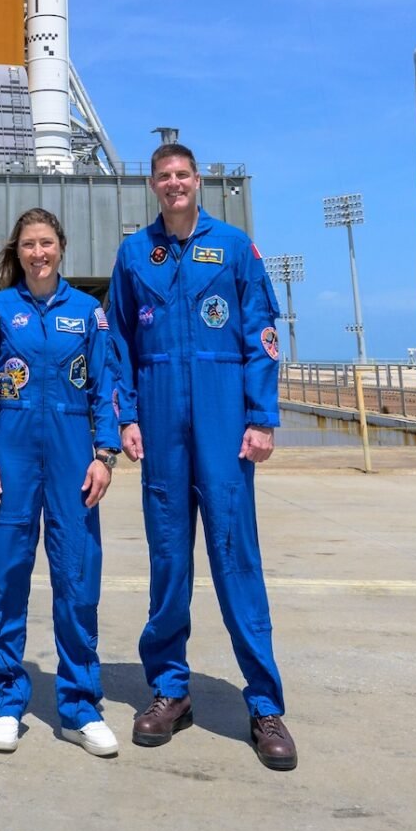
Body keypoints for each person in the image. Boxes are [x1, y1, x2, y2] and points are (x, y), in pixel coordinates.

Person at [109, 141, 297, 771]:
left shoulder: (235, 247)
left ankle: (265, 704)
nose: (173, 184)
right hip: (160, 426)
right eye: (163, 177)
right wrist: (126, 418)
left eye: (182, 175)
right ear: (153, 186)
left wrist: (261, 417)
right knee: (168, 562)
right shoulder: (135, 253)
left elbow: (261, 334)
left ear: (198, 180)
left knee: (236, 560)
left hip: (222, 424)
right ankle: (169, 691)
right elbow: (119, 345)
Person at [0, 207, 132, 757]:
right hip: (10, 455)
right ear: (18, 251)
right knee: (6, 577)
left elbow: (106, 384)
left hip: (71, 454)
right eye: (30, 244)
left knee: (78, 579)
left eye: (47, 243)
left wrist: (104, 454)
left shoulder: (88, 312)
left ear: (61, 247)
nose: (39, 253)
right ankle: (7, 699)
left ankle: (80, 707)